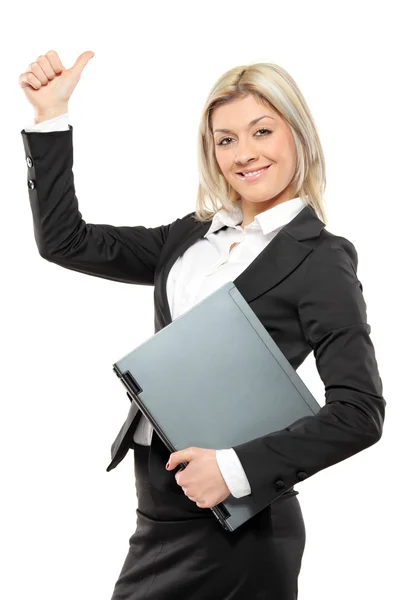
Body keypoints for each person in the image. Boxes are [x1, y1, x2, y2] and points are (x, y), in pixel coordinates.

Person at [19, 50, 385, 600]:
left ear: (298, 136)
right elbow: (65, 241)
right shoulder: (189, 238)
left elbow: (359, 413)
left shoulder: (321, 259)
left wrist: (236, 470)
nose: (245, 153)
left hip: (241, 524)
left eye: (262, 131)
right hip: (158, 510)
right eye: (226, 139)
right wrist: (51, 115)